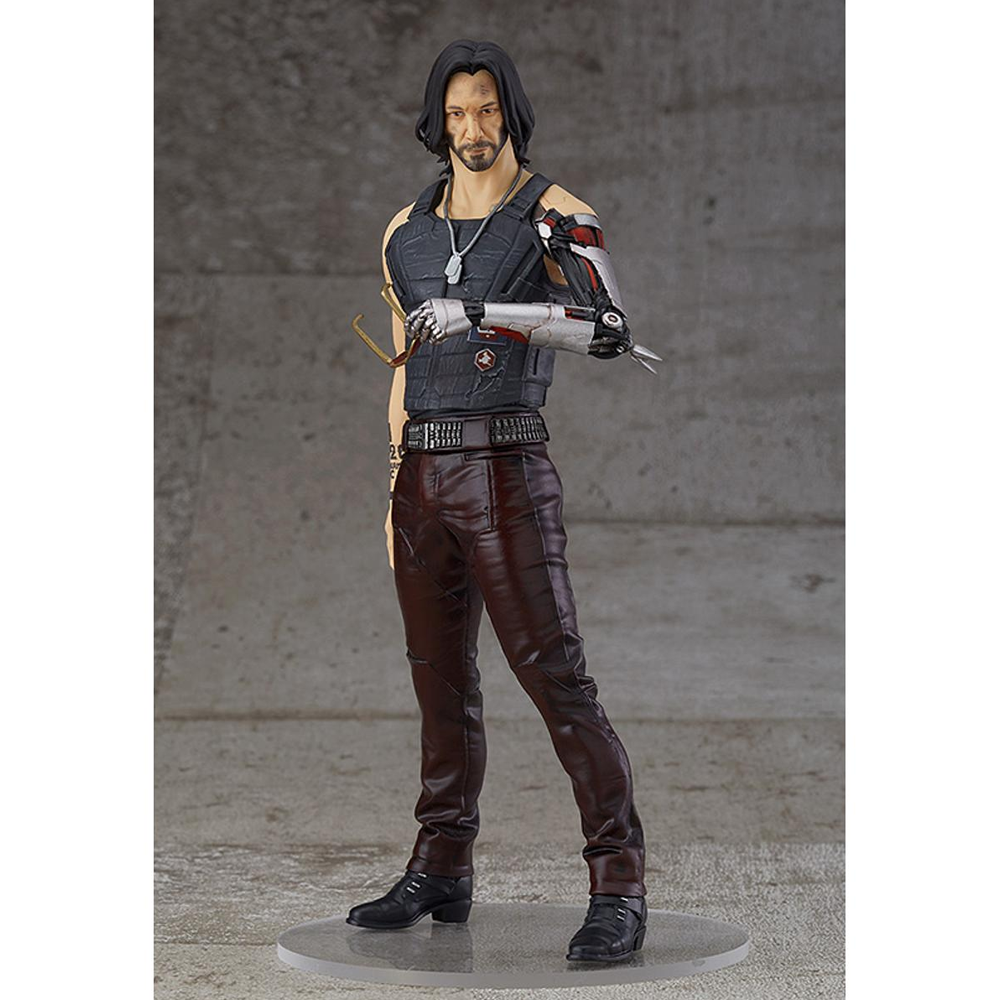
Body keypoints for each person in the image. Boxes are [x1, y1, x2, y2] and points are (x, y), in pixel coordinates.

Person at [346, 39, 656, 963]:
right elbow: (403, 367)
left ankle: (619, 883)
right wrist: (393, 480)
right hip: (424, 475)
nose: (472, 128)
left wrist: (484, 313)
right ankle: (441, 864)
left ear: (509, 112)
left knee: (555, 678)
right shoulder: (406, 229)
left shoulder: (557, 214)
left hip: (507, 468)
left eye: (485, 109)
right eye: (456, 113)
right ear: (436, 121)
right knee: (438, 680)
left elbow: (609, 330)